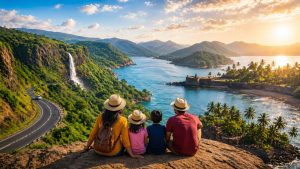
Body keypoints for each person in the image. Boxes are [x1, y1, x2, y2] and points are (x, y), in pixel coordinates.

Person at [85, 94, 143, 158]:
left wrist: (87, 147)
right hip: (113, 152)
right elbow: (125, 140)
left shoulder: (100, 117)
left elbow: (93, 133)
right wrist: (132, 154)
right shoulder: (123, 120)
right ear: (120, 108)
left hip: (97, 150)